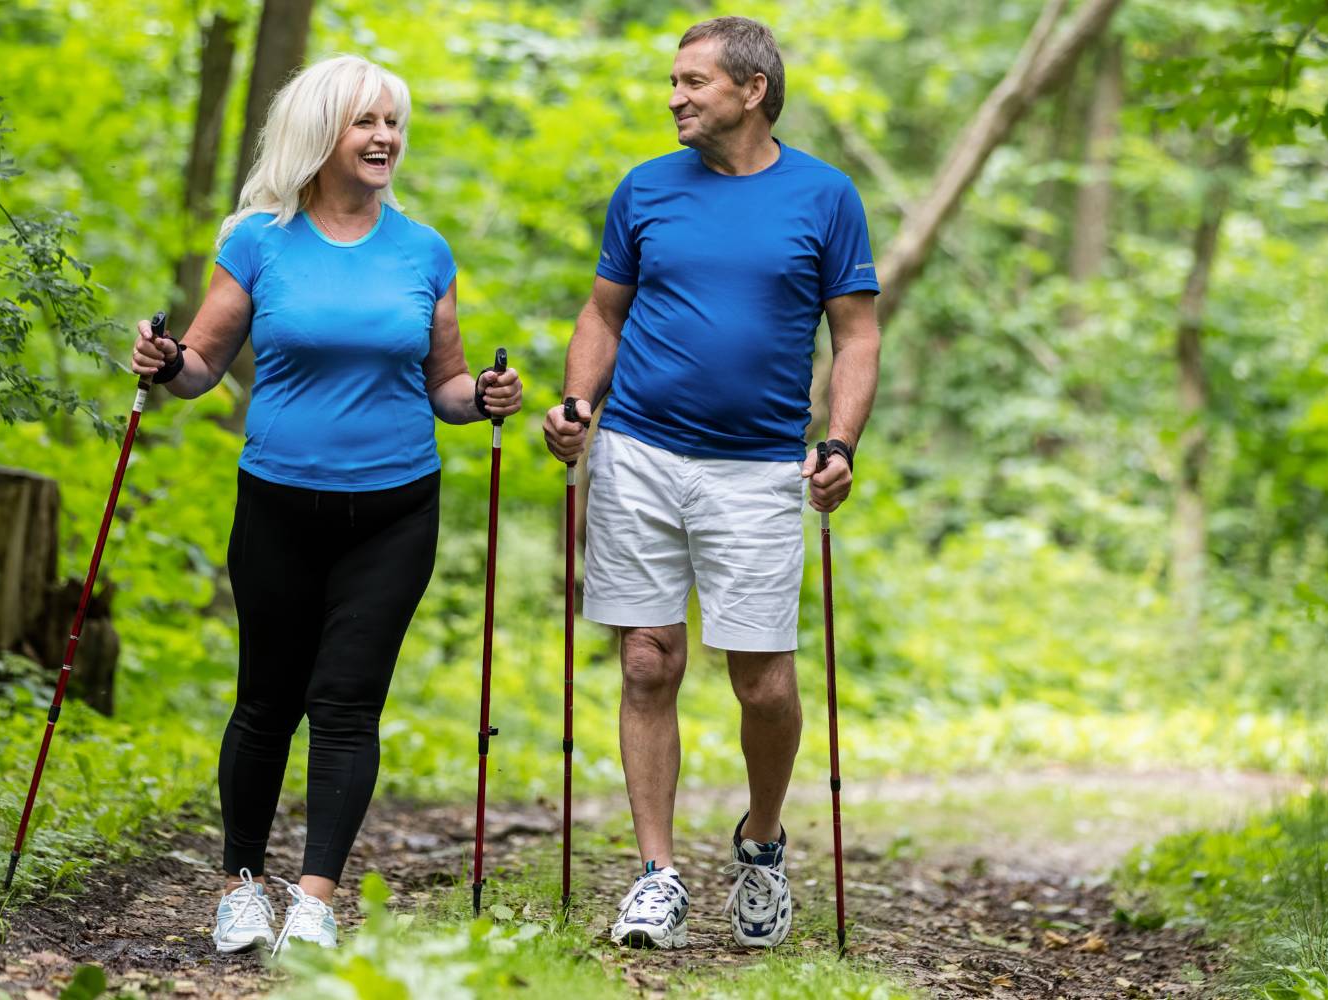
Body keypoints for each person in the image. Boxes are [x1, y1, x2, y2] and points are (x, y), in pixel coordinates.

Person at [131, 54, 522, 955]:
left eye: (393, 121)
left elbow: (448, 386)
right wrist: (161, 363)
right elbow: (199, 368)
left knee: (347, 701)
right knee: (266, 700)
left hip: (393, 508)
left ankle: (312, 896)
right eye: (366, 121)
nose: (385, 136)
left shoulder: (423, 250)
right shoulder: (260, 242)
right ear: (322, 134)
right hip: (277, 503)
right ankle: (240, 884)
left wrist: (487, 397)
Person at [541, 16, 882, 951]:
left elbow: (855, 334)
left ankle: (762, 844)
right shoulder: (646, 190)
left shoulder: (824, 195)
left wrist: (842, 441)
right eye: (674, 81)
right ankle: (656, 874)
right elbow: (602, 311)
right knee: (649, 660)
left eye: (692, 82)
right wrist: (577, 402)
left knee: (763, 684)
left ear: (752, 89)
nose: (674, 97)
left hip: (764, 464)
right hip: (641, 452)